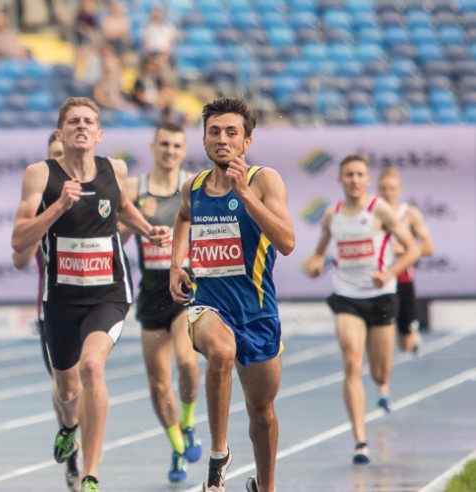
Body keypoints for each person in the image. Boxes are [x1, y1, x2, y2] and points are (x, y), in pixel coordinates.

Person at [11, 97, 170, 492]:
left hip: (108, 295)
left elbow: (123, 207)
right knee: (67, 390)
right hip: (61, 301)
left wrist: (148, 230)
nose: (81, 126)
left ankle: (91, 473)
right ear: (61, 132)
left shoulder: (115, 169)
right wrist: (58, 207)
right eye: (73, 121)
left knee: (92, 367)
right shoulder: (39, 175)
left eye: (88, 121)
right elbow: (18, 240)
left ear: (99, 134)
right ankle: (69, 426)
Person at [169, 97, 295, 492]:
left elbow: (287, 242)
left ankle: (267, 486)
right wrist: (175, 264)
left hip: (257, 313)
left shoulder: (265, 180)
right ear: (204, 140)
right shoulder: (193, 187)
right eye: (214, 132)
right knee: (221, 352)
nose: (222, 139)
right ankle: (218, 456)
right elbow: (183, 217)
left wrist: (245, 194)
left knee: (262, 412)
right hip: (208, 304)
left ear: (246, 141)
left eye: (231, 132)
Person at [306, 154, 420, 465]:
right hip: (347, 297)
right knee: (352, 362)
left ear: (367, 180)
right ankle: (360, 440)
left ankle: (381, 383)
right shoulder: (332, 214)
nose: (354, 180)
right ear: (340, 179)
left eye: (359, 174)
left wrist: (389, 273)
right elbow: (318, 253)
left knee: (380, 371)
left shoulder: (379, 210)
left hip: (381, 296)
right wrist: (316, 264)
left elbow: (413, 250)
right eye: (349, 174)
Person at [120, 122, 201, 483]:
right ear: (153, 147)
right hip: (151, 293)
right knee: (157, 385)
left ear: (184, 151)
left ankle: (189, 423)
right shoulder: (134, 188)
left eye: (176, 146)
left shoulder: (193, 186)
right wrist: (140, 226)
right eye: (164, 144)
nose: (170, 151)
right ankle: (177, 447)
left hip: (184, 287)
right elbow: (117, 234)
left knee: (187, 360)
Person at [12, 131, 81, 492]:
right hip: (52, 308)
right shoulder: (39, 203)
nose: (61, 162)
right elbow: (20, 259)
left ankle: (88, 467)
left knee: (89, 379)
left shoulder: (91, 194)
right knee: (64, 386)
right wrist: (43, 224)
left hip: (93, 304)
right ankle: (72, 454)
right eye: (55, 156)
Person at [377, 167, 434, 354]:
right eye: (384, 188)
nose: (388, 193)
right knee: (379, 334)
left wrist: (404, 249)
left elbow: (428, 247)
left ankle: (411, 335)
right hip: (378, 281)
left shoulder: (409, 214)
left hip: (403, 281)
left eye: (392, 188)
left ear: (399, 190)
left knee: (405, 344)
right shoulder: (372, 214)